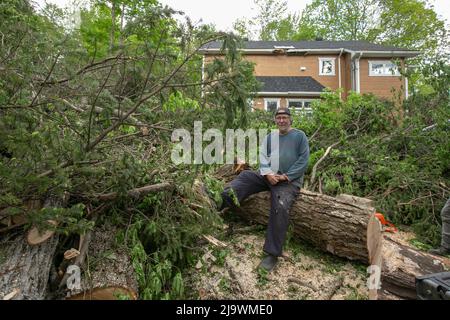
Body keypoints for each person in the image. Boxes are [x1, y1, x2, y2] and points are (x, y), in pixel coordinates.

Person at [220, 107, 310, 272]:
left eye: (284, 117)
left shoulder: (299, 136)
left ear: (290, 119)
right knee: (246, 176)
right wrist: (267, 173)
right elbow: (262, 157)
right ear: (275, 120)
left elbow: (304, 161)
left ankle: (272, 254)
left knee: (280, 206)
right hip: (269, 176)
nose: (281, 120)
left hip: (289, 182)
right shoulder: (270, 137)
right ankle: (223, 201)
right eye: (279, 118)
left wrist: (285, 177)